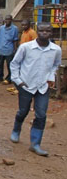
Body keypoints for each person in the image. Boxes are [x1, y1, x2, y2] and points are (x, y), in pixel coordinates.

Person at [9, 22, 62, 156]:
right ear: (37, 32)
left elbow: (56, 65)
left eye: (48, 31)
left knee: (41, 115)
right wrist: (17, 80)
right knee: (23, 110)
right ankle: (16, 129)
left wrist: (51, 77)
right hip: (26, 85)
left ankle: (35, 143)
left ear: (52, 33)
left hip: (43, 87)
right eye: (42, 31)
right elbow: (15, 63)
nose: (45, 33)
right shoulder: (26, 47)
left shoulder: (56, 50)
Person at [0, 15, 19, 84]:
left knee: (9, 65)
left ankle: (9, 78)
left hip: (9, 49)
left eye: (9, 19)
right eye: (6, 19)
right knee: (0, 65)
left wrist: (15, 50)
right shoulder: (1, 28)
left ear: (11, 20)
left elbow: (15, 40)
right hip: (1, 48)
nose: (7, 21)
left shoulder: (15, 28)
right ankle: (0, 77)